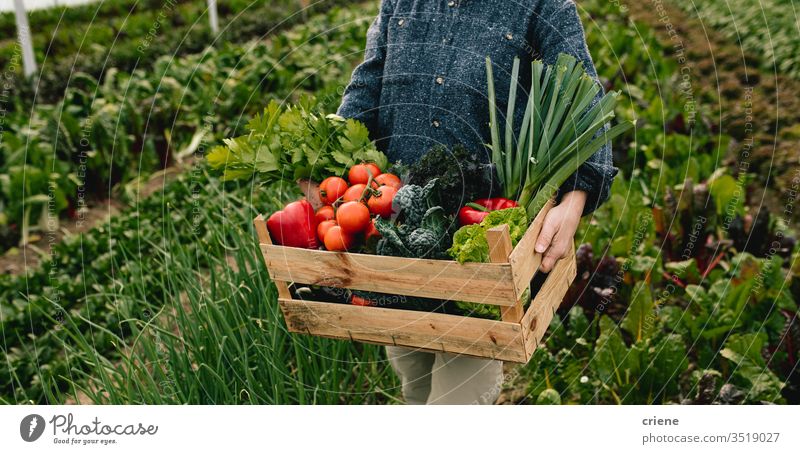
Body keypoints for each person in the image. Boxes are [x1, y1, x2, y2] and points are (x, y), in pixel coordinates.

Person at [335, 0, 617, 405]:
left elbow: (583, 101)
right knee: (413, 380)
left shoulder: (542, 6)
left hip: (481, 245)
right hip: (396, 229)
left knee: (457, 403)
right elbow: (369, 81)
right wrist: (329, 160)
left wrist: (573, 201)